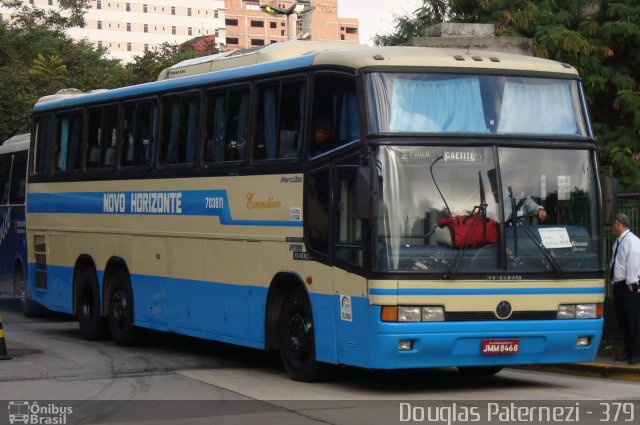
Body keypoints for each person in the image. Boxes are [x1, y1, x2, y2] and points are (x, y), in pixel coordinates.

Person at [609, 213, 640, 364]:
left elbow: (634, 262)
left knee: (633, 320)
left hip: (628, 285)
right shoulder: (618, 242)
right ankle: (628, 349)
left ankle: (636, 352)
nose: (613, 227)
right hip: (618, 285)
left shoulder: (632, 241)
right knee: (623, 320)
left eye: (614, 224)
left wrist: (631, 281)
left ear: (619, 224)